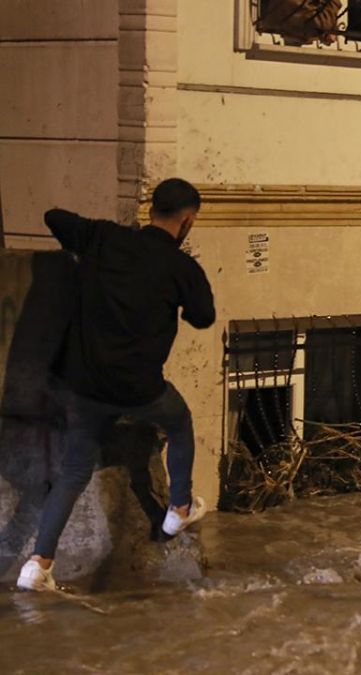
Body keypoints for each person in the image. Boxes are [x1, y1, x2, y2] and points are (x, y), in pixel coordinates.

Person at [17, 178, 216, 592]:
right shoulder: (181, 268)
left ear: (150, 210)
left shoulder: (104, 238)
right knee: (179, 422)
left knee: (74, 473)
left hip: (84, 387)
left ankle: (38, 564)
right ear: (187, 221)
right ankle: (179, 508)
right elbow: (203, 317)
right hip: (140, 390)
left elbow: (53, 217)